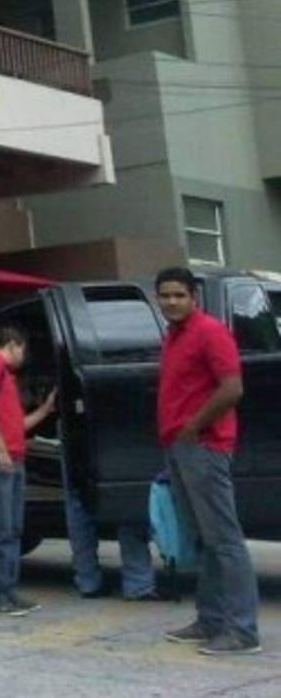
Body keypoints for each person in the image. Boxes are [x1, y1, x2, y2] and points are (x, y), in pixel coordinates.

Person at [154, 266, 260, 656]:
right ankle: (210, 619)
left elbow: (233, 388)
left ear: (193, 297)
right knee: (204, 537)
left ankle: (242, 631)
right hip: (180, 447)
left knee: (224, 539)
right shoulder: (173, 336)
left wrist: (194, 426)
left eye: (179, 295)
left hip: (204, 446)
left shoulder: (210, 332)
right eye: (165, 295)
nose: (171, 301)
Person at [0, 326, 55, 615]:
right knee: (1, 527)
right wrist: (1, 449)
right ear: (13, 344)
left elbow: (16, 425)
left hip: (11, 456)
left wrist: (44, 411)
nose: (23, 357)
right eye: (23, 350)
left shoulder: (4, 374)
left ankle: (7, 590)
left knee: (12, 528)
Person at [59, 443, 160, 601]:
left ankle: (88, 581)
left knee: (80, 498)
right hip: (124, 440)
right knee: (128, 495)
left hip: (78, 438)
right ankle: (138, 583)